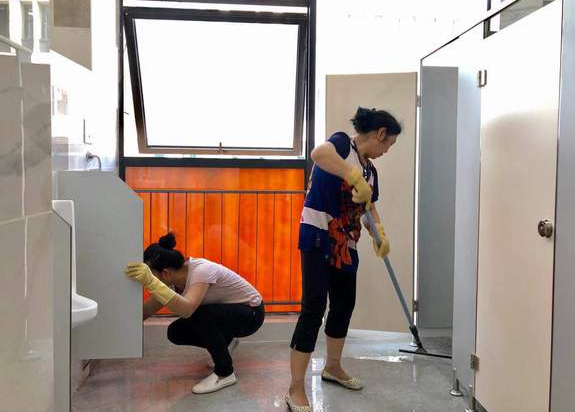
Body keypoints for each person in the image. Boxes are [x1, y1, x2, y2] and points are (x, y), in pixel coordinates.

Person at [285, 107, 401, 411]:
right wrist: (351, 175)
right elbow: (318, 154)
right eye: (388, 144)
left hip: (346, 243)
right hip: (318, 234)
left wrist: (379, 234)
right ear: (379, 134)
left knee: (343, 305)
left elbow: (369, 207)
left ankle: (333, 367)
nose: (387, 151)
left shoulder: (371, 171)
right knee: (313, 308)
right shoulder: (341, 144)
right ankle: (295, 387)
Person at [125, 232, 264, 394]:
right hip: (228, 315)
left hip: (251, 314)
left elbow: (187, 310)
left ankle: (224, 373)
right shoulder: (172, 281)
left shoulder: (201, 271)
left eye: (152, 276)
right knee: (175, 332)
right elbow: (147, 311)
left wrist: (152, 283)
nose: (148, 282)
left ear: (165, 273)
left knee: (200, 315)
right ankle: (226, 342)